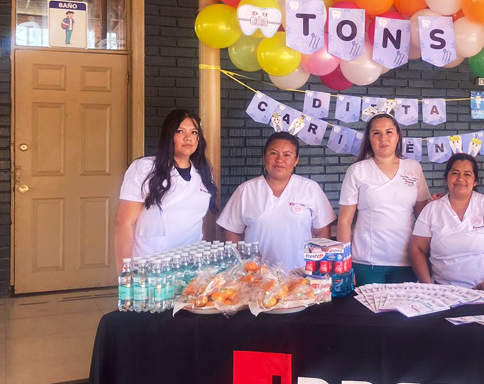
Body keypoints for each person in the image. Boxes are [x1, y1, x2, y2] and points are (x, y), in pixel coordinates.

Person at [114, 109, 217, 273]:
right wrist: (124, 273)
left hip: (191, 265)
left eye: (194, 132)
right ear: (169, 135)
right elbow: (124, 223)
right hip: (151, 265)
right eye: (180, 131)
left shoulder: (203, 172)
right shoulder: (145, 168)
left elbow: (200, 221)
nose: (188, 137)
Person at [217, 132, 335, 270]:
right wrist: (242, 263)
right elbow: (231, 230)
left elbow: (322, 231)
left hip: (301, 272)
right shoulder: (246, 190)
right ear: (264, 157)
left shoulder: (310, 188)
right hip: (257, 276)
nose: (280, 160)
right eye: (273, 153)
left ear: (296, 160)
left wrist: (316, 266)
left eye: (287, 155)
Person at [337, 113, 431, 285]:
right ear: (369, 139)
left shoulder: (413, 168)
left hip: (406, 260)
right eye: (376, 133)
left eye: (389, 132)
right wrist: (345, 265)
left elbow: (424, 218)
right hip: (367, 261)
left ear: (397, 137)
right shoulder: (357, 171)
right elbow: (344, 221)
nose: (383, 138)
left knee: (402, 311)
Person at [409, 154, 484, 290]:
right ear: (446, 178)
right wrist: (429, 286)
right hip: (445, 293)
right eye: (455, 173)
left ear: (475, 180)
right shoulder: (432, 209)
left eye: (467, 174)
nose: (461, 179)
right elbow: (416, 248)